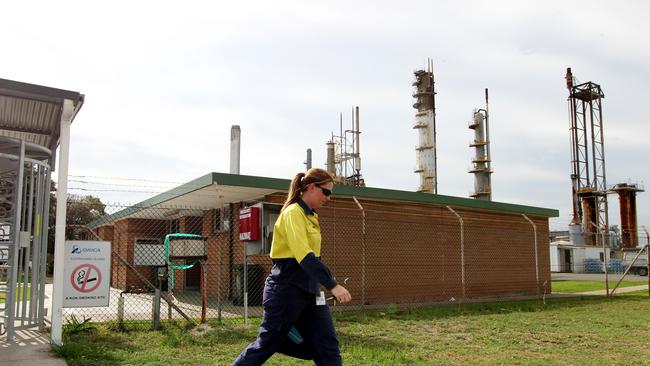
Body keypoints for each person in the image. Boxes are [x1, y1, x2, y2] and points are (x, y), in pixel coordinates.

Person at [232, 168, 351, 366]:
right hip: (286, 290)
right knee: (266, 344)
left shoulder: (311, 216)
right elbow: (304, 257)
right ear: (311, 187)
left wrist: (323, 283)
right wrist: (333, 285)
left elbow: (315, 258)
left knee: (327, 347)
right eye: (327, 192)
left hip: (311, 293)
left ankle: (281, 339)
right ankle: (279, 339)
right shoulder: (292, 213)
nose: (329, 198)